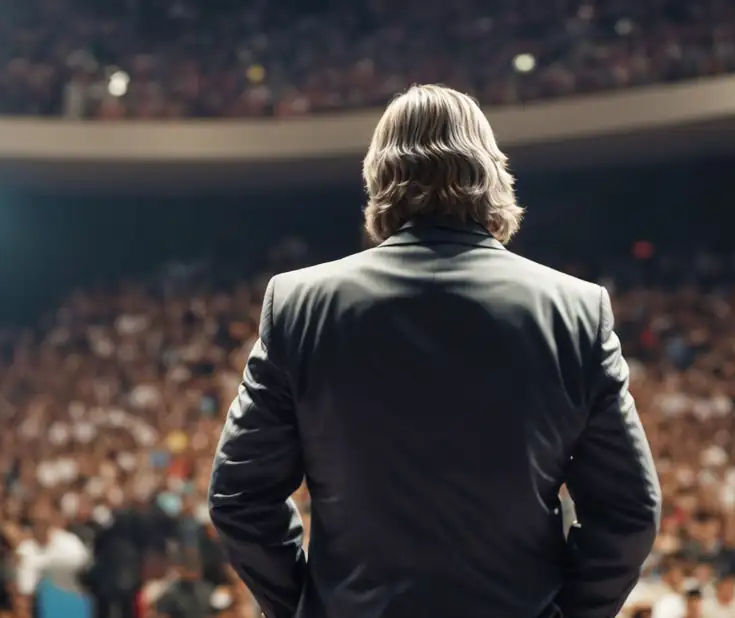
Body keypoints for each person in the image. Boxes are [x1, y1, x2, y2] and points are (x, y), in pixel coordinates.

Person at [208, 84, 662, 618]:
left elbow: (239, 498)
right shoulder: (577, 310)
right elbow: (629, 511)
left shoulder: (299, 304)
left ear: (379, 178)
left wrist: (310, 606)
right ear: (491, 175)